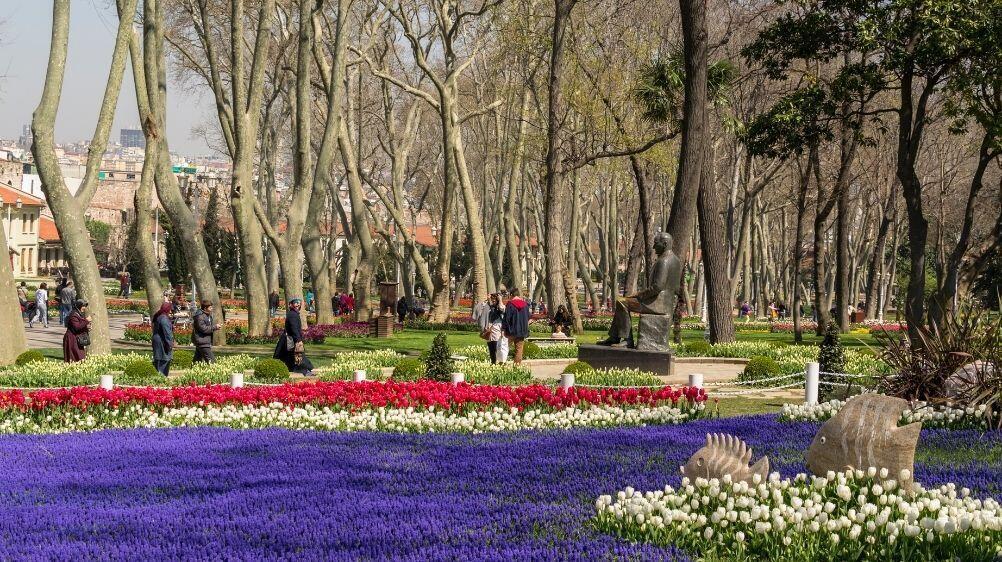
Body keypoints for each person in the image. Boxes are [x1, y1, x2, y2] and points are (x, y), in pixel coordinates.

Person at [274, 298, 315, 376]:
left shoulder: (293, 314)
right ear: (291, 305)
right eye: (296, 303)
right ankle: (305, 371)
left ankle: (301, 370)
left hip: (289, 339)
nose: (298, 305)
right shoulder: (293, 315)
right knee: (298, 354)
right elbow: (294, 328)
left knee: (288, 357)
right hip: (291, 340)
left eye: (299, 303)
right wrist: (298, 340)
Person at [503, 287, 530, 365]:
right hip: (522, 330)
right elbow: (528, 317)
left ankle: (502, 364)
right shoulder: (525, 305)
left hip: (511, 330)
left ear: (511, 295)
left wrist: (504, 329)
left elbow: (507, 318)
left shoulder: (510, 304)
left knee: (505, 347)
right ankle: (517, 366)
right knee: (519, 349)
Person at [151, 302, 174, 376]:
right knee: (163, 360)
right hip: (162, 342)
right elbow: (167, 333)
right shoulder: (164, 319)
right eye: (170, 309)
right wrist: (170, 344)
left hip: (158, 341)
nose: (171, 311)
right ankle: (161, 378)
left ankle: (159, 376)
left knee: (159, 359)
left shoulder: (160, 316)